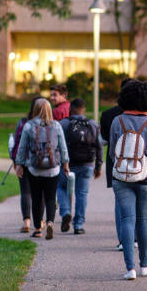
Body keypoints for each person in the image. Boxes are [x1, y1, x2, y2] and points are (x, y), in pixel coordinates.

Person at [109, 79, 147, 280]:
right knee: (142, 220)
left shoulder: (118, 121)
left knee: (126, 219)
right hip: (146, 176)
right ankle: (144, 264)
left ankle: (129, 268)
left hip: (121, 176)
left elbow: (113, 152)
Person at [13, 98, 70, 240]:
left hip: (34, 167)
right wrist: (65, 163)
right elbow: (63, 147)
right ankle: (50, 222)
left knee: (36, 198)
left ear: (35, 110)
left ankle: (38, 229)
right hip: (53, 168)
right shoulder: (56, 126)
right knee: (51, 197)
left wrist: (19, 164)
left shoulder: (29, 126)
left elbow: (22, 147)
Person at [57, 98, 102, 235]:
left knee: (61, 187)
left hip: (67, 164)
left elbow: (57, 143)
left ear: (70, 109)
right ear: (84, 109)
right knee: (81, 193)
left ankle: (65, 212)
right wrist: (98, 166)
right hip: (87, 164)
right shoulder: (93, 124)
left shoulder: (63, 123)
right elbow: (99, 146)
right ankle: (78, 225)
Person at [99, 78, 131, 251]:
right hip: (139, 165)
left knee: (120, 203)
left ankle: (122, 240)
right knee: (139, 204)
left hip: (117, 163)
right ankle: (135, 238)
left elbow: (103, 141)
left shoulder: (108, 115)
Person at [10, 96, 45, 233]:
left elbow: (17, 144)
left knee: (26, 192)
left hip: (24, 161)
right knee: (40, 193)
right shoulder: (49, 124)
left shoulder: (24, 122)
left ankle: (26, 222)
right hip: (42, 162)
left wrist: (16, 161)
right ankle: (40, 221)